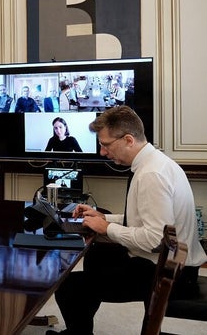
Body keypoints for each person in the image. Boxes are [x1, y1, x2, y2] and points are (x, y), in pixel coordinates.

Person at [48, 106, 207, 335]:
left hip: (168, 274)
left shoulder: (151, 175)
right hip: (173, 265)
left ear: (129, 140)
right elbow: (148, 218)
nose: (102, 152)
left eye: (106, 145)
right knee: (97, 256)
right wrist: (104, 218)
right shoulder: (155, 163)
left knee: (69, 285)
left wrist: (107, 227)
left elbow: (154, 238)